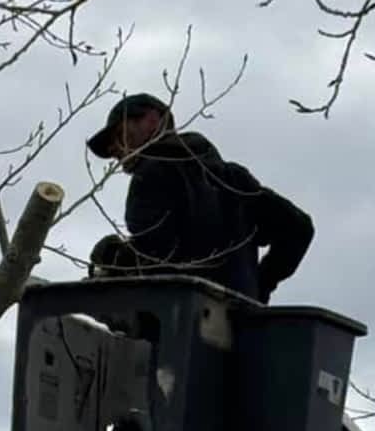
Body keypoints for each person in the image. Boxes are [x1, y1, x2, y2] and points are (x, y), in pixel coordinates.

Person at [84, 93, 313, 303]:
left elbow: (155, 258)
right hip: (241, 330)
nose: (114, 149)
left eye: (118, 135)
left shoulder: (151, 173)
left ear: (153, 120)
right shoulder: (234, 179)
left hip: (176, 326)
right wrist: (259, 288)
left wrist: (114, 259)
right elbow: (299, 228)